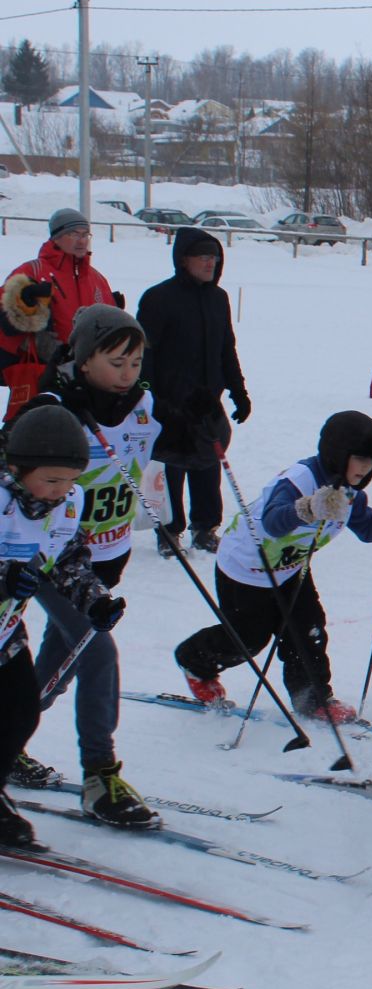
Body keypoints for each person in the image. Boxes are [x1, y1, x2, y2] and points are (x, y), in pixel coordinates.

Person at [173, 412, 372, 724]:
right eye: (359, 458)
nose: (366, 468)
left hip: (290, 569)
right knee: (249, 639)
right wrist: (308, 508)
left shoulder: (349, 492)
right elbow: (274, 522)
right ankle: (194, 661)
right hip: (246, 568)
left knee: (307, 630)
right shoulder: (298, 480)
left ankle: (312, 697)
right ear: (337, 453)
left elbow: (371, 531)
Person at [11, 308, 160, 824]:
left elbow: (177, 450)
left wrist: (206, 425)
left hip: (100, 555)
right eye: (115, 362)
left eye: (135, 362)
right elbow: (15, 466)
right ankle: (101, 774)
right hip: (46, 556)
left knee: (65, 649)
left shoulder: (141, 403)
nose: (127, 373)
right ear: (83, 357)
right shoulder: (55, 406)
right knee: (95, 650)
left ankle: (10, 737)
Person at [0, 405, 127, 851]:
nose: (62, 490)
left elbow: (68, 561)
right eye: (51, 480)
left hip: (4, 635)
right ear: (17, 468)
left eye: (70, 480)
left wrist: (95, 601)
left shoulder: (66, 503)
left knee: (18, 715)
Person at [135, 227, 250, 557]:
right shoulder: (159, 298)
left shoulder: (218, 299)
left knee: (208, 465)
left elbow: (227, 348)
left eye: (215, 257)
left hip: (207, 401)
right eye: (203, 257)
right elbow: (146, 353)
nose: (210, 263)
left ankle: (205, 527)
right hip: (169, 402)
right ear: (184, 260)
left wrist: (239, 392)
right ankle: (169, 533)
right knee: (171, 469)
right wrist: (148, 395)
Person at [2, 208, 119, 421]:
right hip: (45, 377)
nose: (82, 240)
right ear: (56, 237)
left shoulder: (97, 279)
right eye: (74, 234)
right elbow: (5, 325)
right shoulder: (32, 272)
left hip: (88, 379)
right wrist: (29, 329)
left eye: (85, 234)